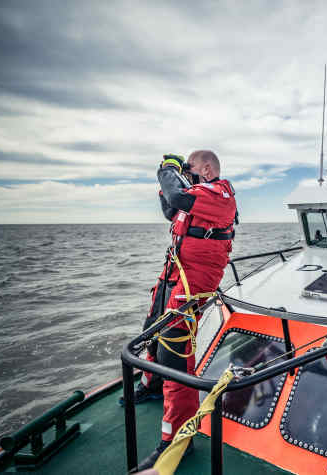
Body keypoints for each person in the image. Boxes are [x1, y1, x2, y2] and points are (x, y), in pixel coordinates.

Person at [135, 150, 237, 470]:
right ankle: (150, 385)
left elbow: (176, 194)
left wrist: (168, 170)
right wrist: (163, 180)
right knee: (152, 326)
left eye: (190, 170)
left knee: (174, 350)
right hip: (176, 270)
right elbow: (171, 205)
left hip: (196, 278)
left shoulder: (219, 194)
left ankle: (177, 440)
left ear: (206, 169)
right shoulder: (195, 196)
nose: (186, 175)